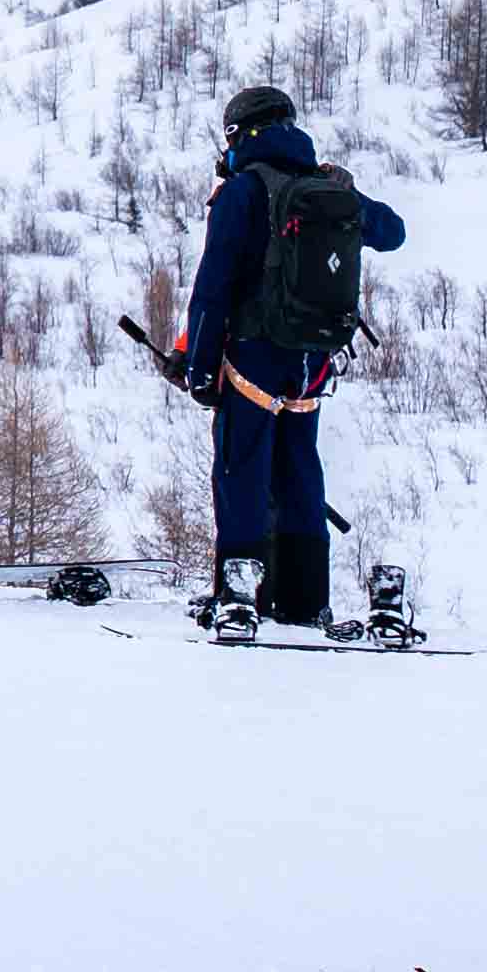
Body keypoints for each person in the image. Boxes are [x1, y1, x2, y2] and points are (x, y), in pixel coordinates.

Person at [176, 80, 407, 631]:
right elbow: (393, 233)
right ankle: (304, 599)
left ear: (239, 133)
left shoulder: (243, 192)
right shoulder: (324, 185)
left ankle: (239, 598)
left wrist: (201, 369)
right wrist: (349, 196)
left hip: (254, 353)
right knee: (300, 469)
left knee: (242, 468)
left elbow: (213, 286)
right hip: (315, 359)